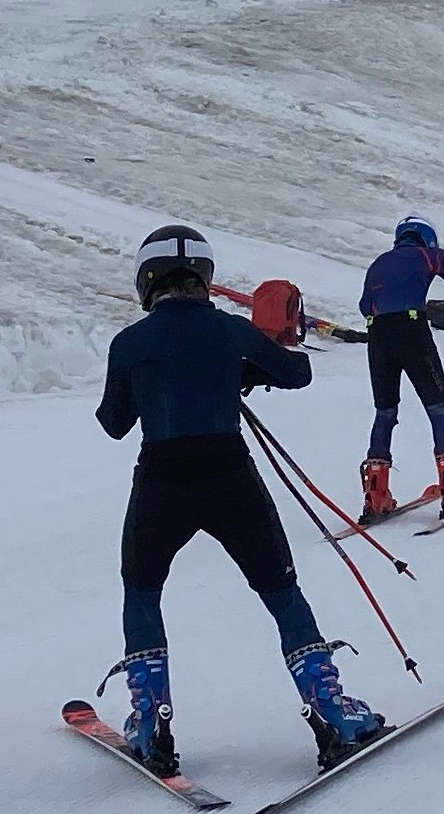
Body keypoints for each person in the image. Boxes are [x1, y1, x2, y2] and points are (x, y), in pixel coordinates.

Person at [94, 221, 382, 774]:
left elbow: (113, 422)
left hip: (161, 481)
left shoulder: (128, 343)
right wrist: (242, 368)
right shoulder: (228, 330)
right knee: (280, 590)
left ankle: (151, 723)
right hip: (230, 474)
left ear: (146, 282)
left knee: (142, 590)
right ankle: (333, 713)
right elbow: (297, 372)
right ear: (205, 276)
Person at [356, 215, 444, 517]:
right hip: (413, 332)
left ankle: (375, 494)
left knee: (385, 411)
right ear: (427, 237)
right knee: (436, 405)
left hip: (378, 335)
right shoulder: (430, 256)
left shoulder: (379, 262)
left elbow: (364, 307)